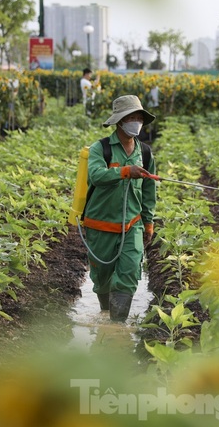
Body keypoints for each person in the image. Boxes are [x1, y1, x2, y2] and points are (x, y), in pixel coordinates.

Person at [83, 95, 157, 322]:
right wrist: (125, 171)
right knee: (102, 279)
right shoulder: (101, 149)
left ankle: (116, 328)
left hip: (131, 225)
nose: (136, 122)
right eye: (130, 117)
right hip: (100, 225)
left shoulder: (144, 153)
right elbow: (96, 176)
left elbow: (148, 189)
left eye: (138, 118)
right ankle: (106, 316)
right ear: (119, 121)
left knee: (128, 274)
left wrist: (148, 221)